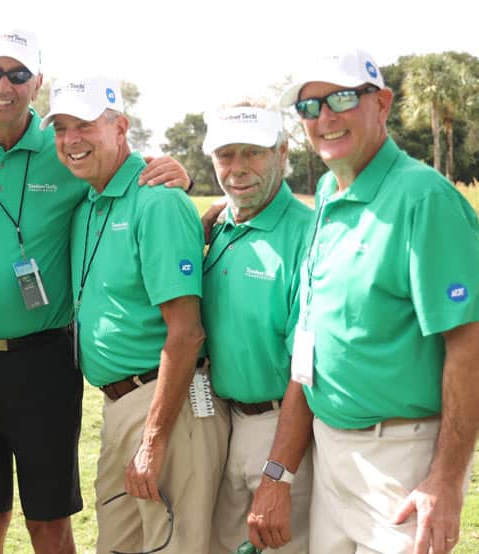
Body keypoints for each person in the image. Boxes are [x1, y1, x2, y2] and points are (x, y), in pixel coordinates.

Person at [0, 29, 191, 554]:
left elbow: (124, 168)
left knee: (49, 519)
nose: (4, 84)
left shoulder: (65, 146)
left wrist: (178, 176)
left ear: (36, 83)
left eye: (19, 74)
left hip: (44, 360)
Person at [255, 48, 479, 553]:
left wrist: (443, 481)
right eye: (309, 107)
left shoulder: (424, 198)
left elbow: (469, 346)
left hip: (401, 460)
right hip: (331, 453)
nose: (324, 117)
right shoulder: (331, 197)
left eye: (340, 99)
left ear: (383, 103)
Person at [43, 74, 229, 554]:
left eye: (84, 125)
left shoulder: (159, 201)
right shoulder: (87, 203)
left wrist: (153, 439)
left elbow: (186, 334)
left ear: (120, 127)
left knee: (176, 544)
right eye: (61, 128)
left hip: (169, 408)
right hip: (120, 406)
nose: (71, 140)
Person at [198, 99, 314, 553]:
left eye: (254, 152)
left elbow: (305, 370)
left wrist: (278, 475)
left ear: (283, 152)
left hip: (280, 429)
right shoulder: (216, 227)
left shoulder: (308, 233)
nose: (237, 168)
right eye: (226, 155)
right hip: (220, 424)